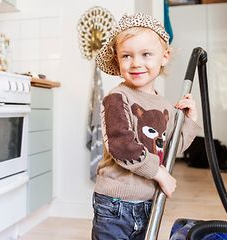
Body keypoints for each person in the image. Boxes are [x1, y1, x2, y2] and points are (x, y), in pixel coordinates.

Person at [92, 13, 201, 240]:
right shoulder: (117, 98)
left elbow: (170, 149)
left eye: (146, 54)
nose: (136, 63)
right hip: (115, 205)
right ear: (117, 60)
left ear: (164, 56)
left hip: (147, 202)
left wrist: (190, 121)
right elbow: (122, 146)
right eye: (127, 56)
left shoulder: (163, 105)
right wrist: (159, 173)